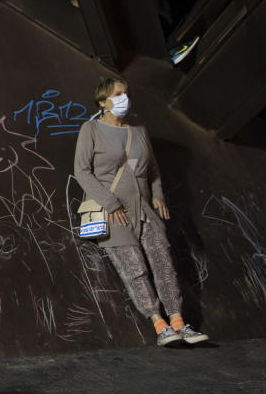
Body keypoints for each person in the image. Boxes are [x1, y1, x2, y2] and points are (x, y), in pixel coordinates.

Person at [74, 76, 209, 347]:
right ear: (103, 102)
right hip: (113, 213)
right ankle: (160, 326)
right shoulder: (91, 130)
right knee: (134, 270)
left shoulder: (138, 132)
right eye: (118, 94)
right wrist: (111, 203)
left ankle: (179, 323)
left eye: (127, 93)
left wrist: (157, 195)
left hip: (144, 209)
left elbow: (153, 170)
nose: (125, 98)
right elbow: (82, 172)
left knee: (164, 265)